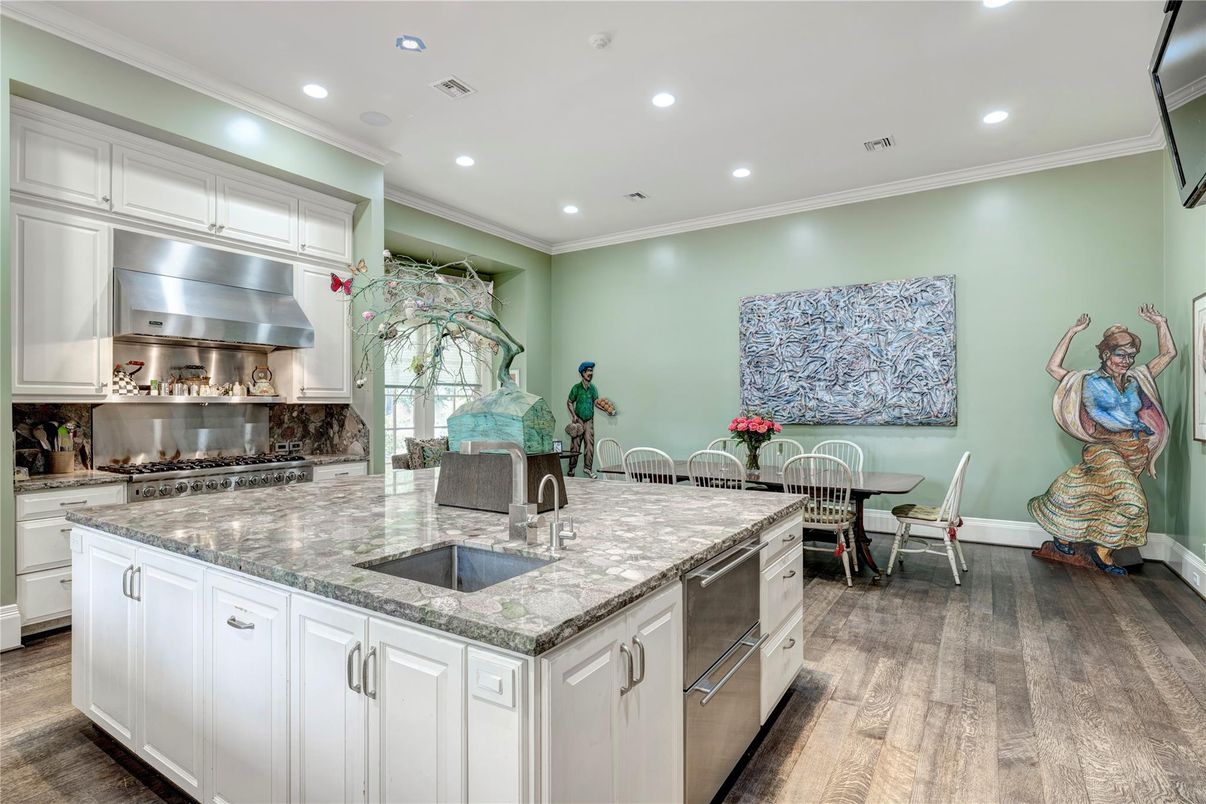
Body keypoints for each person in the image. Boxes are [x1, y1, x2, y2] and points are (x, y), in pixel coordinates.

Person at [1028, 305, 1177, 575]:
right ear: (1106, 353)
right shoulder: (1087, 381)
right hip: (1103, 448)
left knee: (1093, 492)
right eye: (1121, 354)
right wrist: (1072, 332)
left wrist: (1160, 323)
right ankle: (1102, 550)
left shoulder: (1137, 380)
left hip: (1135, 450)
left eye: (1131, 355)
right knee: (1131, 501)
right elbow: (1052, 367)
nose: (1126, 360)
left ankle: (1063, 535)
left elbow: (1168, 353)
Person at [566, 361, 615, 478]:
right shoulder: (576, 388)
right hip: (578, 420)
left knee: (589, 445)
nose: (590, 373)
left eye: (591, 371)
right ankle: (571, 469)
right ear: (583, 373)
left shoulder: (593, 389)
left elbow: (596, 403)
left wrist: (607, 410)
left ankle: (587, 468)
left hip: (589, 420)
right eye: (588, 371)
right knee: (575, 446)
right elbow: (569, 402)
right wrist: (573, 416)